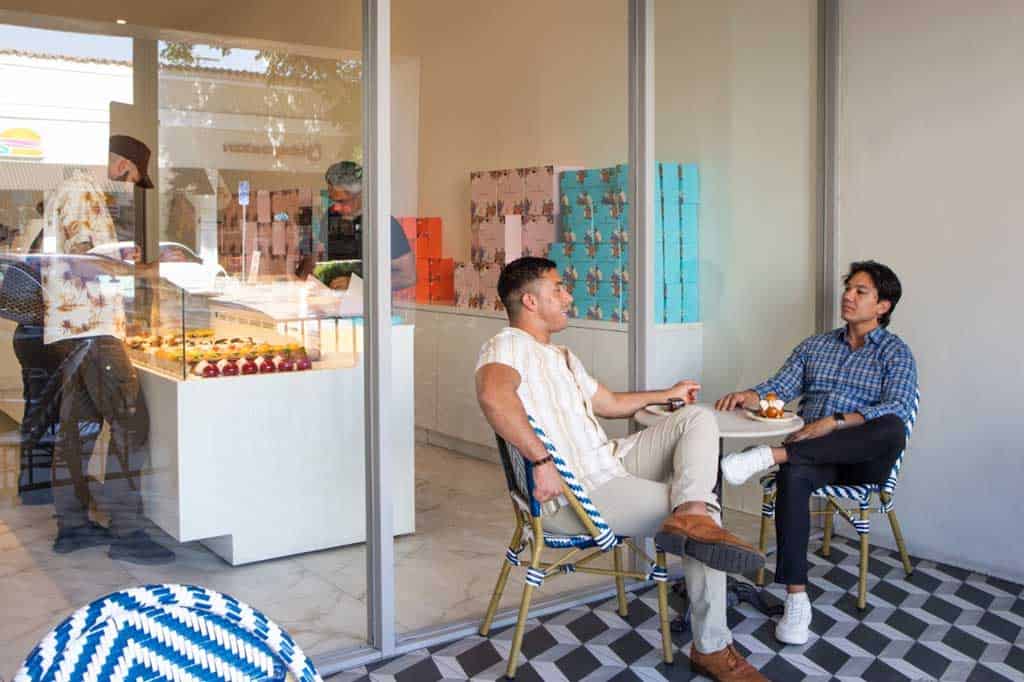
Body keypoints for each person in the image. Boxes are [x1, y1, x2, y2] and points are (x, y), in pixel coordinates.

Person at [475, 257, 769, 682]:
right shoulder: (506, 346)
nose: (568, 296)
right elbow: (492, 396)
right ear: (530, 301)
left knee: (697, 419)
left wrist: (668, 394)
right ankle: (712, 647)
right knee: (708, 516)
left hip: (607, 461)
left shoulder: (561, 355)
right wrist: (540, 462)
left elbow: (609, 403)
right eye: (558, 288)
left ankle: (691, 512)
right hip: (577, 492)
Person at [715, 260, 917, 646]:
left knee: (890, 427)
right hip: (812, 460)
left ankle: (771, 455)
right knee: (794, 477)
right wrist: (750, 395)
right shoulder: (816, 346)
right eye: (848, 288)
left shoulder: (895, 354)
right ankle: (796, 598)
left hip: (861, 463)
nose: (848, 295)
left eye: (861, 291)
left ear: (883, 306)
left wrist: (835, 421)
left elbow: (899, 407)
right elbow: (780, 385)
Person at [38, 135, 173, 564]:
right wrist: (139, 271)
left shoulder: (76, 190)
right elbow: (84, 263)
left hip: (72, 328)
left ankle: (73, 525)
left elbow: (89, 257)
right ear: (120, 164)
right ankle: (128, 530)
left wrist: (125, 261)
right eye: (133, 175)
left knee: (78, 427)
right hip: (91, 328)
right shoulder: (82, 191)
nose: (131, 184)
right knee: (132, 419)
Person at [323, 160, 416, 290]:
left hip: (369, 309)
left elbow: (407, 277)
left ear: (360, 194)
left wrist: (360, 285)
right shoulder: (331, 217)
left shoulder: (384, 224)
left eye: (342, 201)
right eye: (333, 200)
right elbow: (319, 258)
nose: (336, 207)